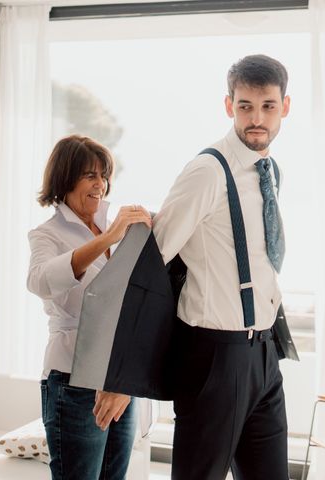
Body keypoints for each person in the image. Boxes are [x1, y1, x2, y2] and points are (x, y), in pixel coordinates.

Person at [153, 54, 291, 480]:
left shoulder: (268, 171)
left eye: (267, 106)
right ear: (229, 105)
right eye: (245, 105)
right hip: (214, 357)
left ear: (285, 106)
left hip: (265, 355)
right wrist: (124, 370)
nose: (256, 118)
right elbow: (154, 259)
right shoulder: (207, 172)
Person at [27, 134, 151, 480]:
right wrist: (108, 238)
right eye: (90, 176)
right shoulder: (47, 234)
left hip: (120, 381)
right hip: (72, 382)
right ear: (65, 179)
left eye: (104, 176)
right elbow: (39, 281)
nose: (101, 185)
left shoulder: (119, 220)